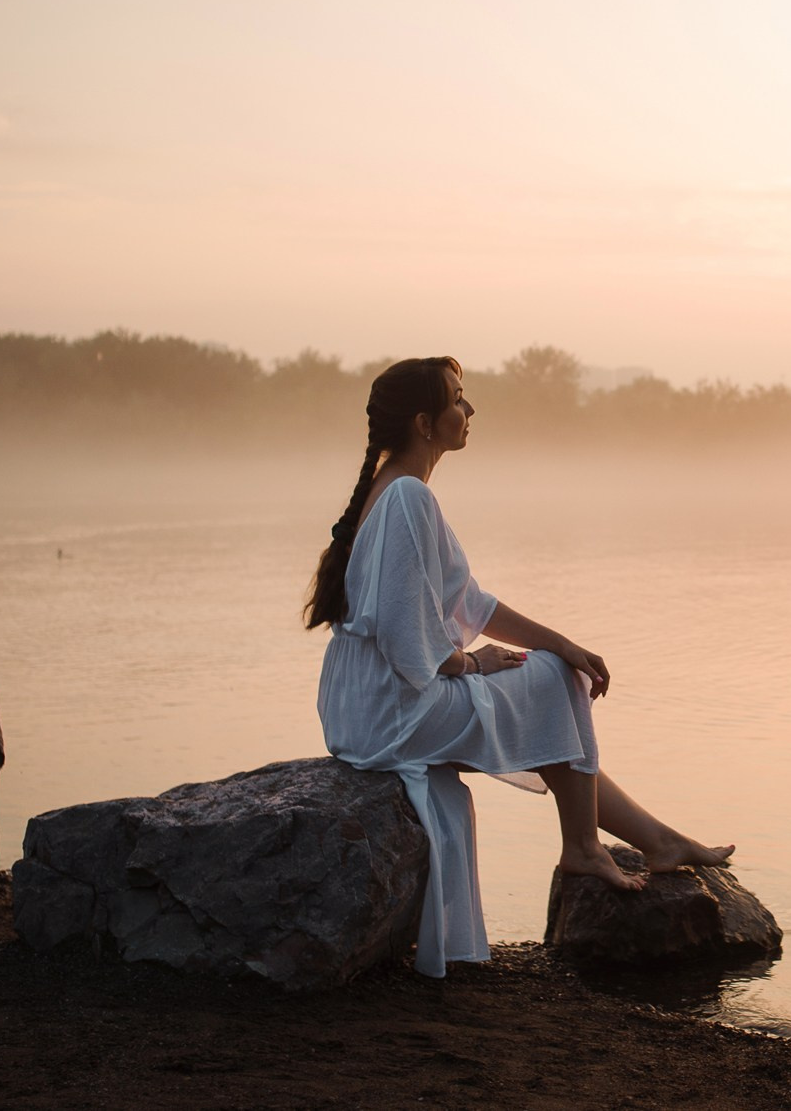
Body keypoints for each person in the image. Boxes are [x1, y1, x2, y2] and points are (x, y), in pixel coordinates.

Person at [306, 355, 732, 976]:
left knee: (551, 678)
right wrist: (472, 663)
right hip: (389, 707)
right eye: (458, 398)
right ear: (426, 422)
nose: (469, 409)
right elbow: (407, 639)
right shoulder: (405, 497)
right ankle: (584, 847)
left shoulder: (402, 491)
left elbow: (470, 603)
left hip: (372, 700)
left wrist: (561, 641)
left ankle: (653, 841)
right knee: (552, 685)